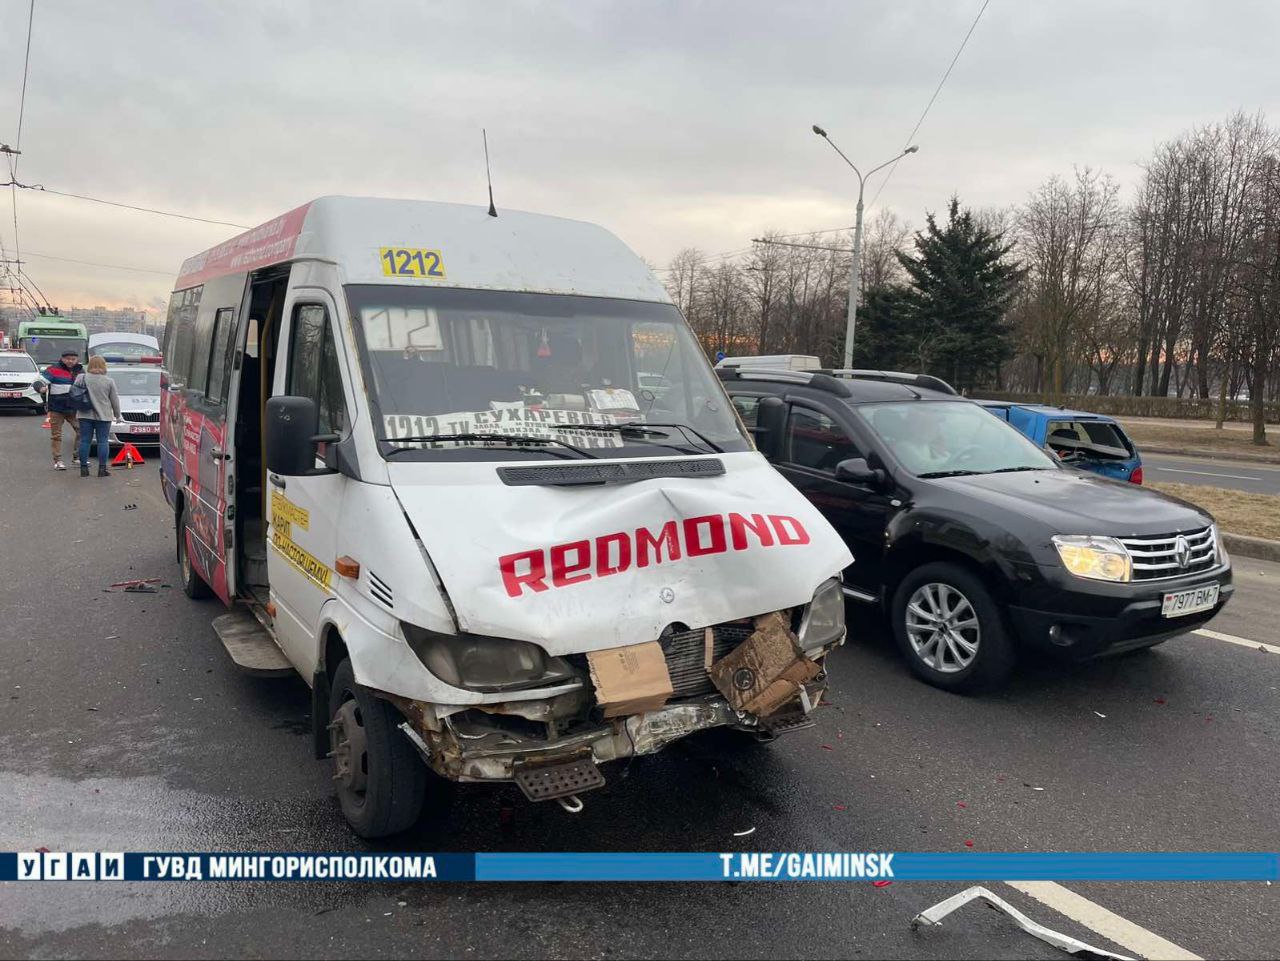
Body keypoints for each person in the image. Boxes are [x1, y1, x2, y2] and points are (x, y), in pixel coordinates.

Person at [37, 349, 84, 470]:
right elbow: (38, 381)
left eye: (73, 359)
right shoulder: (53, 369)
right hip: (57, 408)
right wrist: (41, 388)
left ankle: (77, 457)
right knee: (56, 435)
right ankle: (58, 461)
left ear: (77, 359)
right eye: (68, 359)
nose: (70, 361)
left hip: (74, 408)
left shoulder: (80, 370)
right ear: (62, 359)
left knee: (82, 431)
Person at [76, 356, 121, 477]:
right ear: (104, 366)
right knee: (103, 441)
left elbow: (74, 393)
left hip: (84, 414)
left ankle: (84, 469)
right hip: (104, 416)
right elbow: (114, 400)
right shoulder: (109, 381)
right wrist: (118, 415)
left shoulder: (81, 378)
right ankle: (102, 469)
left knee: (85, 440)